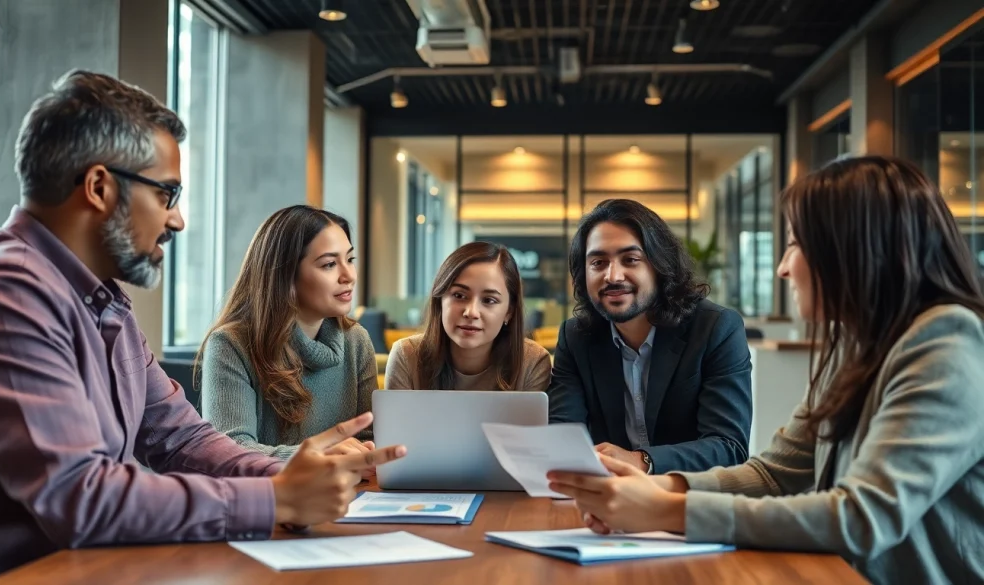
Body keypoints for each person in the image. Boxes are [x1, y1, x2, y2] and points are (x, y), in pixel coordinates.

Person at [0, 71, 403, 584]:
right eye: (166, 193)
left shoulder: (104, 302)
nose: (178, 220)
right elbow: (81, 497)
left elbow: (183, 440)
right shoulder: (5, 293)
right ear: (99, 187)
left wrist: (293, 472)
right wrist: (273, 496)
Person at [547, 156, 984, 585]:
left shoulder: (947, 342)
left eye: (796, 245)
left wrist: (666, 509)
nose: (783, 268)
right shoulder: (853, 348)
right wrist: (661, 488)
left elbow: (860, 517)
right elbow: (773, 475)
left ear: (854, 249)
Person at [547, 198, 752, 474]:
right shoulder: (576, 337)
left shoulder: (716, 329)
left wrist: (642, 460)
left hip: (687, 501)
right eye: (598, 262)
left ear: (659, 265)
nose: (613, 276)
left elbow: (729, 447)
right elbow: (564, 437)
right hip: (607, 499)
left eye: (630, 259)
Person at [199, 205, 378, 464]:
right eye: (329, 264)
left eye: (350, 259)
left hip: (347, 497)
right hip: (265, 500)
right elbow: (230, 452)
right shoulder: (230, 344)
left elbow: (368, 439)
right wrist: (316, 458)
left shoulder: (356, 341)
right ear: (285, 275)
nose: (349, 276)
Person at [384, 241, 551, 392]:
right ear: (440, 301)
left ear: (510, 311)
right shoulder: (407, 357)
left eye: (489, 300)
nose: (471, 312)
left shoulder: (532, 363)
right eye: (459, 296)